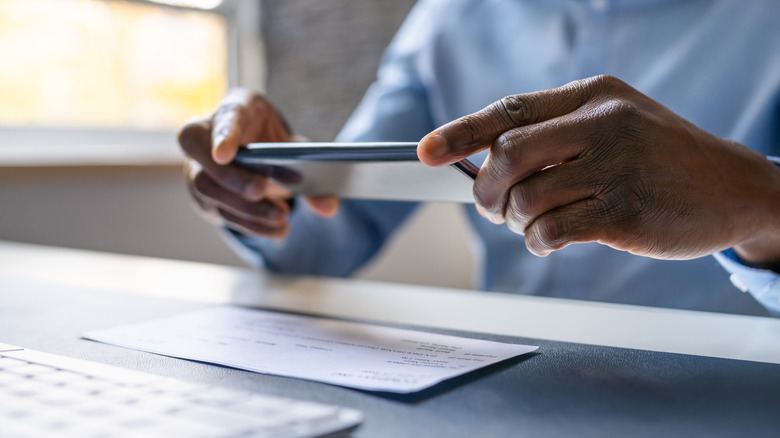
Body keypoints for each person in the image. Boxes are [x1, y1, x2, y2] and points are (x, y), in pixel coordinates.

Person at [178, 0, 780, 317]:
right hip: (507, 390)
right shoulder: (448, 16)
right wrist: (262, 185)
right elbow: (332, 234)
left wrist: (757, 197)